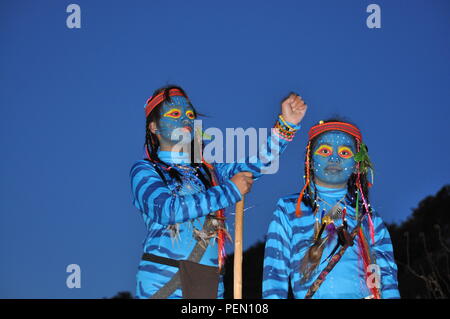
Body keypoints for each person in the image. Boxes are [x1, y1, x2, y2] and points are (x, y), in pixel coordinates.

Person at [130, 85, 307, 298]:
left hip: (211, 278)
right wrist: (230, 189)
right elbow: (167, 210)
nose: (185, 119)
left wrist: (286, 126)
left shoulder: (210, 171)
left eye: (189, 115)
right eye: (175, 114)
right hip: (164, 275)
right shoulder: (146, 170)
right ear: (154, 127)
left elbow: (253, 167)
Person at [263, 118, 400, 299]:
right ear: (310, 161)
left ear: (356, 165)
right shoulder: (288, 210)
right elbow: (274, 272)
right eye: (325, 150)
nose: (334, 158)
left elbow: (387, 274)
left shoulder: (368, 216)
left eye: (344, 153)